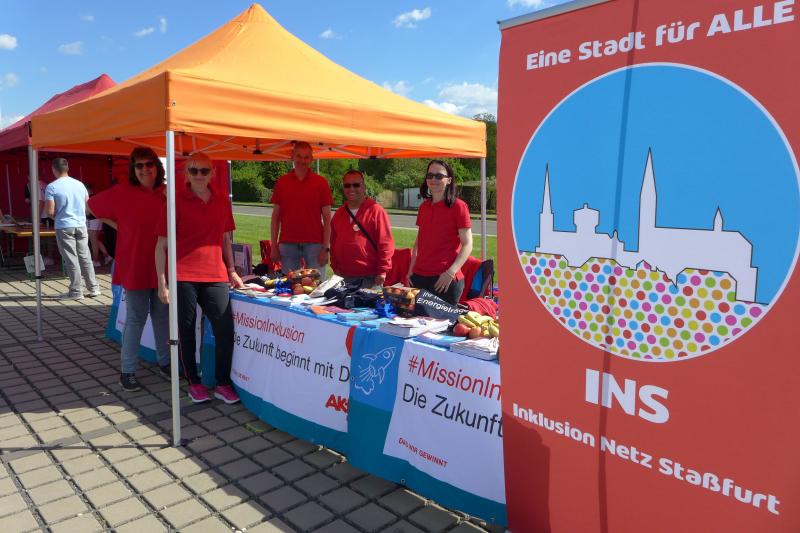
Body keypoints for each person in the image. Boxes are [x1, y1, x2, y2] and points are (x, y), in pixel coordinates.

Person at [155, 152, 244, 404]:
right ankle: (194, 382)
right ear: (186, 173)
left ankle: (222, 383)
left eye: (204, 170)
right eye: (194, 170)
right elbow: (161, 245)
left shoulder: (221, 200)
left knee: (225, 330)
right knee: (186, 331)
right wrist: (162, 282)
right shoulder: (174, 201)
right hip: (184, 274)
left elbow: (225, 239)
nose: (199, 175)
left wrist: (232, 270)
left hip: (215, 274)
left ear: (212, 173)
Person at [88, 147, 170, 392]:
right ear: (133, 169)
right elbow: (90, 206)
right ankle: (128, 371)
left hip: (162, 265)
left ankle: (166, 363)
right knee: (136, 318)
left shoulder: (166, 193)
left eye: (149, 164)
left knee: (162, 317)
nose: (145, 169)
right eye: (139, 165)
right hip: (134, 263)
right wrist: (118, 224)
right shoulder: (123, 191)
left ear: (157, 167)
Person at [407, 160, 474, 305]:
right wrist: (411, 270)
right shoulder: (424, 207)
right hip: (419, 277)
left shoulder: (459, 206)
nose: (433, 179)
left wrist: (451, 272)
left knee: (441, 321)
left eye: (439, 176)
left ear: (449, 180)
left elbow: (468, 244)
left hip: (444, 280)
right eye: (430, 175)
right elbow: (419, 241)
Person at [270, 141, 332, 278]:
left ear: (311, 159)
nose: (302, 161)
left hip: (315, 244)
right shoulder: (282, 182)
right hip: (288, 244)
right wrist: (273, 246)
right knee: (290, 286)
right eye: (299, 156)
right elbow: (275, 217)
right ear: (292, 156)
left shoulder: (321, 183)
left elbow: (328, 219)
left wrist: (326, 248)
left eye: (306, 157)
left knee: (316, 285)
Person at [44, 158, 100, 300]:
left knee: (71, 258)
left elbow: (50, 211)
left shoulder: (52, 187)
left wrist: (58, 216)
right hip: (81, 224)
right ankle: (93, 288)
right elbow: (87, 207)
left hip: (64, 225)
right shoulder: (80, 184)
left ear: (53, 169)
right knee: (85, 256)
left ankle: (76, 291)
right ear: (68, 168)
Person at [330, 170, 394, 288]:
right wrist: (335, 267)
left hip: (369, 278)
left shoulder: (376, 211)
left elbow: (385, 244)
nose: (351, 189)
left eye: (356, 185)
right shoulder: (339, 214)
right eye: (347, 185)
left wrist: (382, 271)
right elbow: (333, 243)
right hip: (343, 277)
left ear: (364, 187)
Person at [86, 186, 112, 267]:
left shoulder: (87, 198)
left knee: (94, 242)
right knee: (96, 240)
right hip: (99, 220)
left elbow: (87, 212)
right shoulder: (96, 197)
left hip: (91, 220)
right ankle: (107, 256)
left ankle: (96, 261)